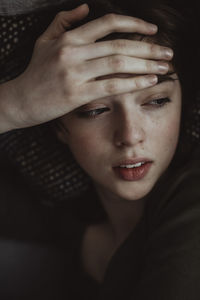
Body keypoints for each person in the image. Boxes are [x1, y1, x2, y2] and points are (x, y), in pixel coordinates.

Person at [0, 0, 200, 299]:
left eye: (156, 101)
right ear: (57, 125)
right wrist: (13, 105)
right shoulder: (49, 217)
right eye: (95, 110)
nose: (130, 136)